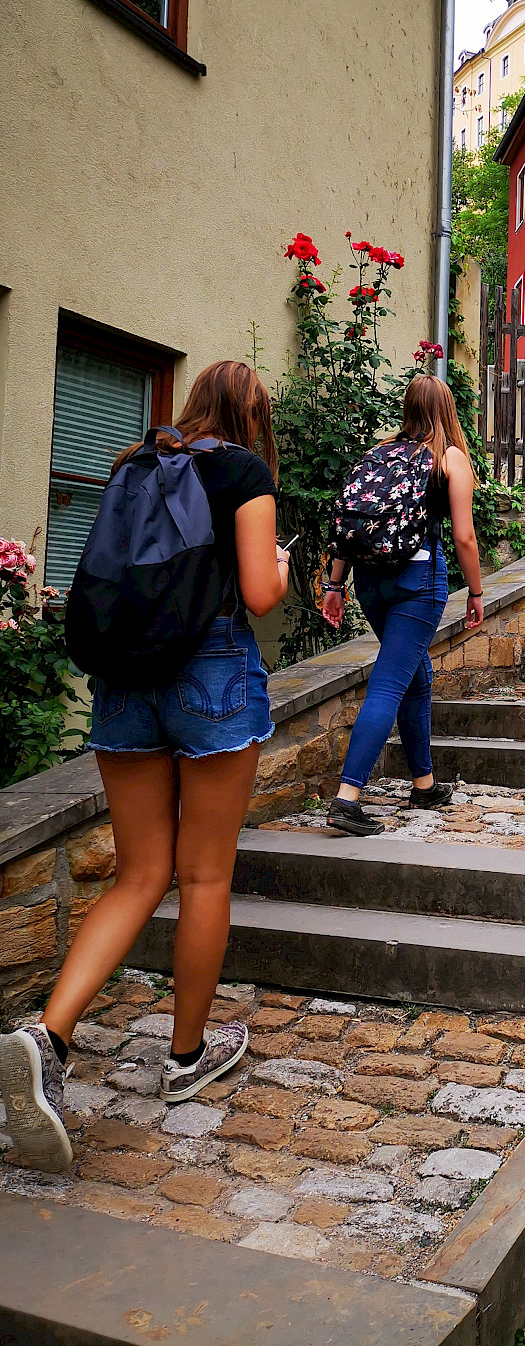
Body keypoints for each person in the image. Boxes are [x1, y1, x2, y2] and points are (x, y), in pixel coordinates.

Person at [0, 362, 290, 1172]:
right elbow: (262, 595)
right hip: (210, 678)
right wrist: (288, 567)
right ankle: (188, 1057)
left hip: (126, 685)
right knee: (202, 879)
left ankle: (47, 1035)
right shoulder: (242, 471)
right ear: (253, 415)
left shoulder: (135, 461)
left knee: (136, 875)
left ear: (194, 403)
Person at [321, 375, 484, 836]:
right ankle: (347, 798)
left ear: (408, 407)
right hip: (418, 581)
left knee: (415, 677)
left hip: (370, 582)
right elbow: (464, 536)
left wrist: (335, 584)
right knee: (390, 683)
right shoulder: (449, 457)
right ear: (448, 409)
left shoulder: (379, 453)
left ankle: (424, 784)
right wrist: (474, 592)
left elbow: (351, 524)